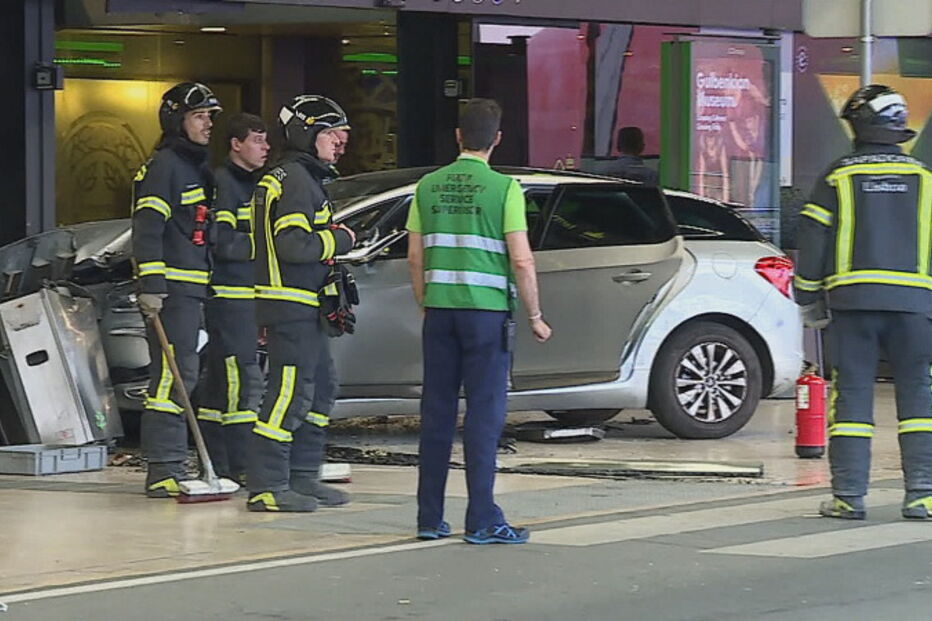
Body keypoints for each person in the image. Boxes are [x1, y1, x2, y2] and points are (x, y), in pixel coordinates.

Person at [406, 98, 553, 544]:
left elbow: (415, 257)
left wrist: (426, 303)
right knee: (484, 417)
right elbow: (522, 261)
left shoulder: (427, 187)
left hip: (440, 314)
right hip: (486, 317)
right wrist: (535, 315)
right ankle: (483, 518)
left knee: (437, 414)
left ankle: (429, 518)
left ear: (457, 136)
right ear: (498, 139)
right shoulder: (504, 189)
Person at [794, 84, 932, 521]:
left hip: (852, 307)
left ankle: (849, 497)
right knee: (919, 401)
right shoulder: (925, 178)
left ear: (857, 125)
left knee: (852, 399)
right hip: (914, 308)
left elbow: (812, 239)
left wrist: (808, 297)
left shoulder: (838, 176)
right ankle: (923, 496)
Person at [248, 95, 356, 512]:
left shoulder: (302, 178)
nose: (339, 142)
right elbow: (293, 244)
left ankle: (302, 477)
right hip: (289, 304)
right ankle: (267, 487)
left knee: (321, 389)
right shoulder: (294, 180)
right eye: (331, 134)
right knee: (288, 394)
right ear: (307, 134)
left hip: (306, 305)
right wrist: (341, 239)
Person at [132, 82, 221, 497]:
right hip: (172, 292)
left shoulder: (197, 167)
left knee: (185, 372)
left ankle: (173, 461)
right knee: (172, 376)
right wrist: (151, 286)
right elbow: (148, 229)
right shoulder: (164, 166)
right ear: (176, 120)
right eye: (200, 116)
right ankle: (163, 468)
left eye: (210, 117)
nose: (208, 124)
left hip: (195, 288)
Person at [196, 113, 269, 484]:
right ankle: (240, 464)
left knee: (218, 386)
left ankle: (217, 461)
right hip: (229, 295)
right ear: (236, 144)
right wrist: (266, 246)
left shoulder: (259, 185)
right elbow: (222, 242)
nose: (265, 148)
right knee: (242, 381)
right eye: (257, 140)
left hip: (249, 297)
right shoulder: (224, 184)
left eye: (266, 141)